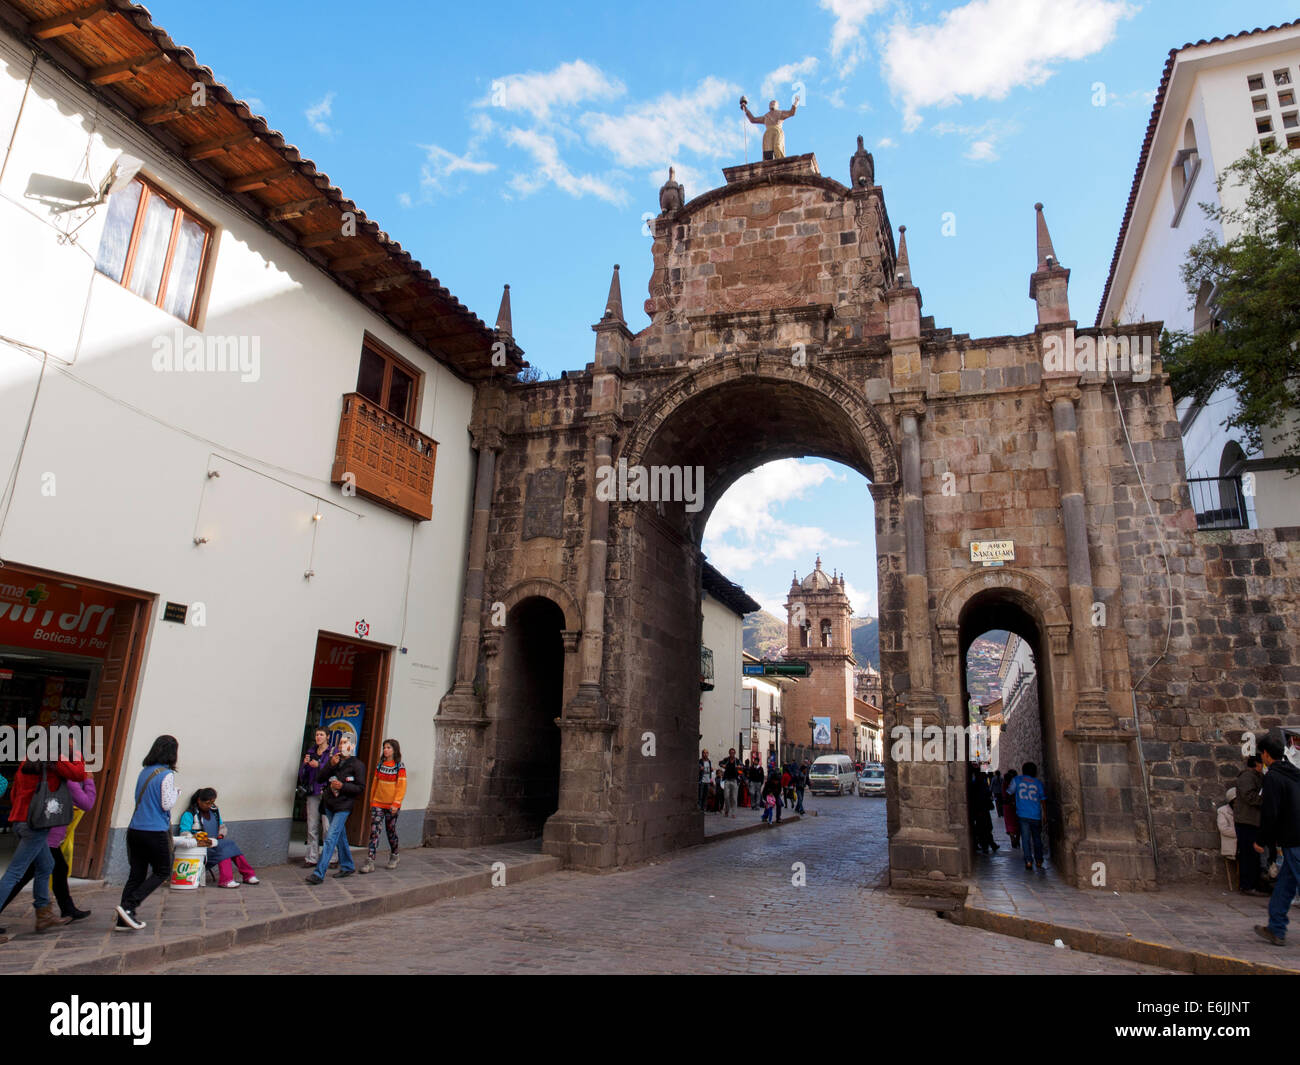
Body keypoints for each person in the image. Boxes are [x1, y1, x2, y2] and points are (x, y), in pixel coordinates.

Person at [0, 749, 87, 939]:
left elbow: (15, 791)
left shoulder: (28, 759)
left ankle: (43, 913)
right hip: (36, 825)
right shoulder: (54, 760)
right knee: (15, 873)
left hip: (22, 820)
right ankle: (43, 913)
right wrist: (77, 756)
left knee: (47, 864)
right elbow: (79, 774)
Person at [116, 735, 179, 931]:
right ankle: (129, 906)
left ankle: (123, 919)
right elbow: (166, 804)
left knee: (136, 874)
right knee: (162, 871)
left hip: (136, 829)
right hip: (155, 831)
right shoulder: (166, 774)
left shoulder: (145, 772)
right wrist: (177, 792)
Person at [1253, 735, 1300, 947]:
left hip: (1293, 838)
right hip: (1293, 838)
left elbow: (1270, 812)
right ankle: (1276, 928)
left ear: (1265, 754)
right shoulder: (1295, 774)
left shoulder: (1273, 777)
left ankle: (1277, 927)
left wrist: (1262, 839)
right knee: (1285, 885)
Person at [306, 735, 365, 884]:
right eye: (340, 743)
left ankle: (319, 873)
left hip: (344, 806)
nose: (341, 746)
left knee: (331, 837)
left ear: (351, 746)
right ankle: (347, 865)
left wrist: (343, 786)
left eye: (345, 743)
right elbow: (319, 778)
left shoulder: (357, 765)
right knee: (340, 836)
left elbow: (360, 788)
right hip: (330, 804)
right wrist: (330, 765)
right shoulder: (334, 760)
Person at [177, 788, 258, 887]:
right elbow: (184, 833)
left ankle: (241, 877)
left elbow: (222, 827)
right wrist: (195, 837)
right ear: (199, 800)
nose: (210, 805)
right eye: (207, 803)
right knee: (226, 847)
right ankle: (242, 876)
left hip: (215, 844)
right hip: (200, 848)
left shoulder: (214, 811)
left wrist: (220, 835)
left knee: (227, 846)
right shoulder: (189, 814)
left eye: (212, 802)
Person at [362, 739, 405, 873]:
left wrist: (396, 803)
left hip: (392, 805)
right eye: (384, 747)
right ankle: (370, 861)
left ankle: (395, 854)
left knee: (390, 830)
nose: (385, 750)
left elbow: (401, 786)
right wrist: (372, 801)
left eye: (388, 748)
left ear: (394, 750)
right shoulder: (380, 765)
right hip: (378, 803)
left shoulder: (399, 766)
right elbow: (374, 784)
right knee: (375, 831)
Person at [299, 728, 335, 866]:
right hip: (313, 792)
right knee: (312, 826)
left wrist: (319, 765)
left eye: (321, 734)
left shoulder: (332, 752)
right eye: (317, 734)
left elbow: (333, 769)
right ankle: (311, 858)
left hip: (326, 793)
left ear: (327, 737)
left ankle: (331, 858)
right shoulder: (311, 751)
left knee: (327, 827)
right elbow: (303, 775)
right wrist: (305, 764)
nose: (318, 737)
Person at [1233, 755, 1268, 896]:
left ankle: (1253, 883)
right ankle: (1247, 885)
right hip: (1246, 821)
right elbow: (1250, 797)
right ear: (1257, 765)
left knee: (1254, 855)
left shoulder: (1256, 777)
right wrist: (1265, 799)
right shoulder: (1247, 777)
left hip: (1253, 821)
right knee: (1248, 854)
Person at [1009, 762, 1047, 870]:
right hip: (1036, 815)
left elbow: (1009, 792)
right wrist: (1045, 814)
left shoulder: (1017, 780)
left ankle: (1028, 861)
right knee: (1037, 838)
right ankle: (1039, 860)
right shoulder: (1038, 783)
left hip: (1022, 814)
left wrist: (1014, 802)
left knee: (1025, 839)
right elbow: (1043, 800)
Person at [968, 766, 998, 854]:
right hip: (980, 810)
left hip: (983, 809)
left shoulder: (980, 783)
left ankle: (990, 844)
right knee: (983, 828)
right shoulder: (977, 784)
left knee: (986, 828)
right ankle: (987, 845)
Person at [1000, 769, 1020, 848]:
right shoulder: (1015, 783)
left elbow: (1004, 795)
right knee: (1017, 823)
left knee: (1009, 823)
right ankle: (1017, 840)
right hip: (1015, 805)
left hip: (1007, 806)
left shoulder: (1004, 783)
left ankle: (1013, 839)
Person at [720, 748, 740, 819]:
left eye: (733, 753)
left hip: (734, 780)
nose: (732, 754)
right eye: (731, 752)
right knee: (726, 797)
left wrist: (739, 767)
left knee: (734, 798)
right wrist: (723, 765)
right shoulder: (726, 759)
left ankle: (733, 813)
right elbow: (720, 763)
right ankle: (727, 810)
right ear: (729, 753)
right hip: (727, 780)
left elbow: (742, 766)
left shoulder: (737, 761)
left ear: (735, 753)